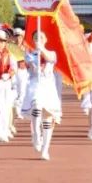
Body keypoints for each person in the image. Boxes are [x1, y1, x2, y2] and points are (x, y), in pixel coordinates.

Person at [22, 30, 62, 160]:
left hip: (48, 85)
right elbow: (30, 67)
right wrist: (35, 61)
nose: (38, 39)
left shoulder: (52, 53)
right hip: (35, 84)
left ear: (45, 40)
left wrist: (42, 49)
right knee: (37, 105)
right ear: (33, 40)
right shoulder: (29, 54)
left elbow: (50, 59)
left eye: (41, 37)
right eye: (36, 38)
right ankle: (35, 134)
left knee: (47, 118)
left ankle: (45, 149)